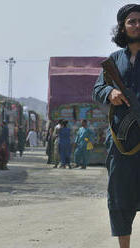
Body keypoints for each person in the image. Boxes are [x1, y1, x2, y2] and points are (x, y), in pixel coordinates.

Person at [92, 4, 140, 247]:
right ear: (123, 26)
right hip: (121, 143)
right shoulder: (114, 60)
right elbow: (97, 88)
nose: (137, 25)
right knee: (120, 197)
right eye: (132, 21)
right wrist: (110, 91)